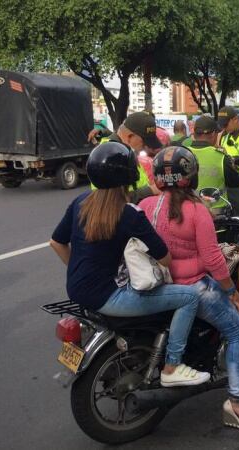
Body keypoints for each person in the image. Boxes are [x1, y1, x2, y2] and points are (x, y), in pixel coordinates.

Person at [49, 142, 210, 388]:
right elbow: (164, 258)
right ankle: (172, 366)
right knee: (188, 297)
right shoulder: (129, 213)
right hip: (109, 297)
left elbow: (57, 242)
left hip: (78, 290)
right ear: (129, 176)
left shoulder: (81, 201)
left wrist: (79, 269)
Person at [139, 146, 239, 430]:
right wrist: (232, 291)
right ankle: (238, 402)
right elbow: (213, 259)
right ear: (191, 177)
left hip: (160, 284)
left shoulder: (147, 206)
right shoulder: (196, 210)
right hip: (193, 287)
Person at [87, 112, 163, 203]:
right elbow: (113, 201)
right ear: (130, 137)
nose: (146, 146)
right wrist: (151, 191)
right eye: (144, 142)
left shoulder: (123, 150)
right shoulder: (112, 156)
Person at [186, 115, 239, 211]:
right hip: (217, 213)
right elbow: (236, 182)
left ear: (195, 133)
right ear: (213, 134)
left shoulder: (184, 154)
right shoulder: (221, 157)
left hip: (189, 211)